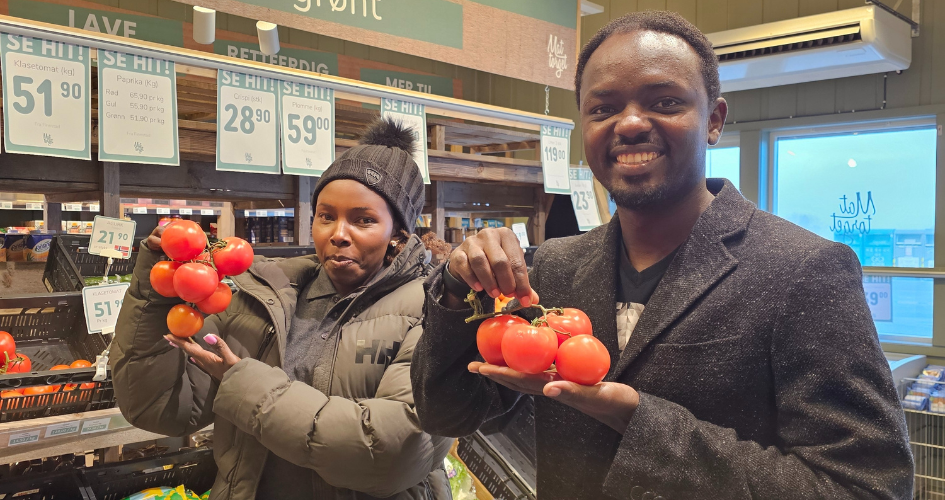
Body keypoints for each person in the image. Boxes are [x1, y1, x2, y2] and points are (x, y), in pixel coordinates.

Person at [411, 11, 913, 500]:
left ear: (714, 120)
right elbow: (450, 416)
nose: (628, 124)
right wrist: (456, 289)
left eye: (666, 102)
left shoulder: (802, 271)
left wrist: (638, 421)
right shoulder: (557, 267)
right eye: (603, 109)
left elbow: (868, 484)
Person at [113, 118, 453, 500]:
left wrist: (241, 381)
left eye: (363, 220)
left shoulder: (437, 313)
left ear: (399, 235)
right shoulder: (264, 297)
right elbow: (159, 408)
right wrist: (157, 288)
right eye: (326, 216)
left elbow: (389, 457)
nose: (338, 233)